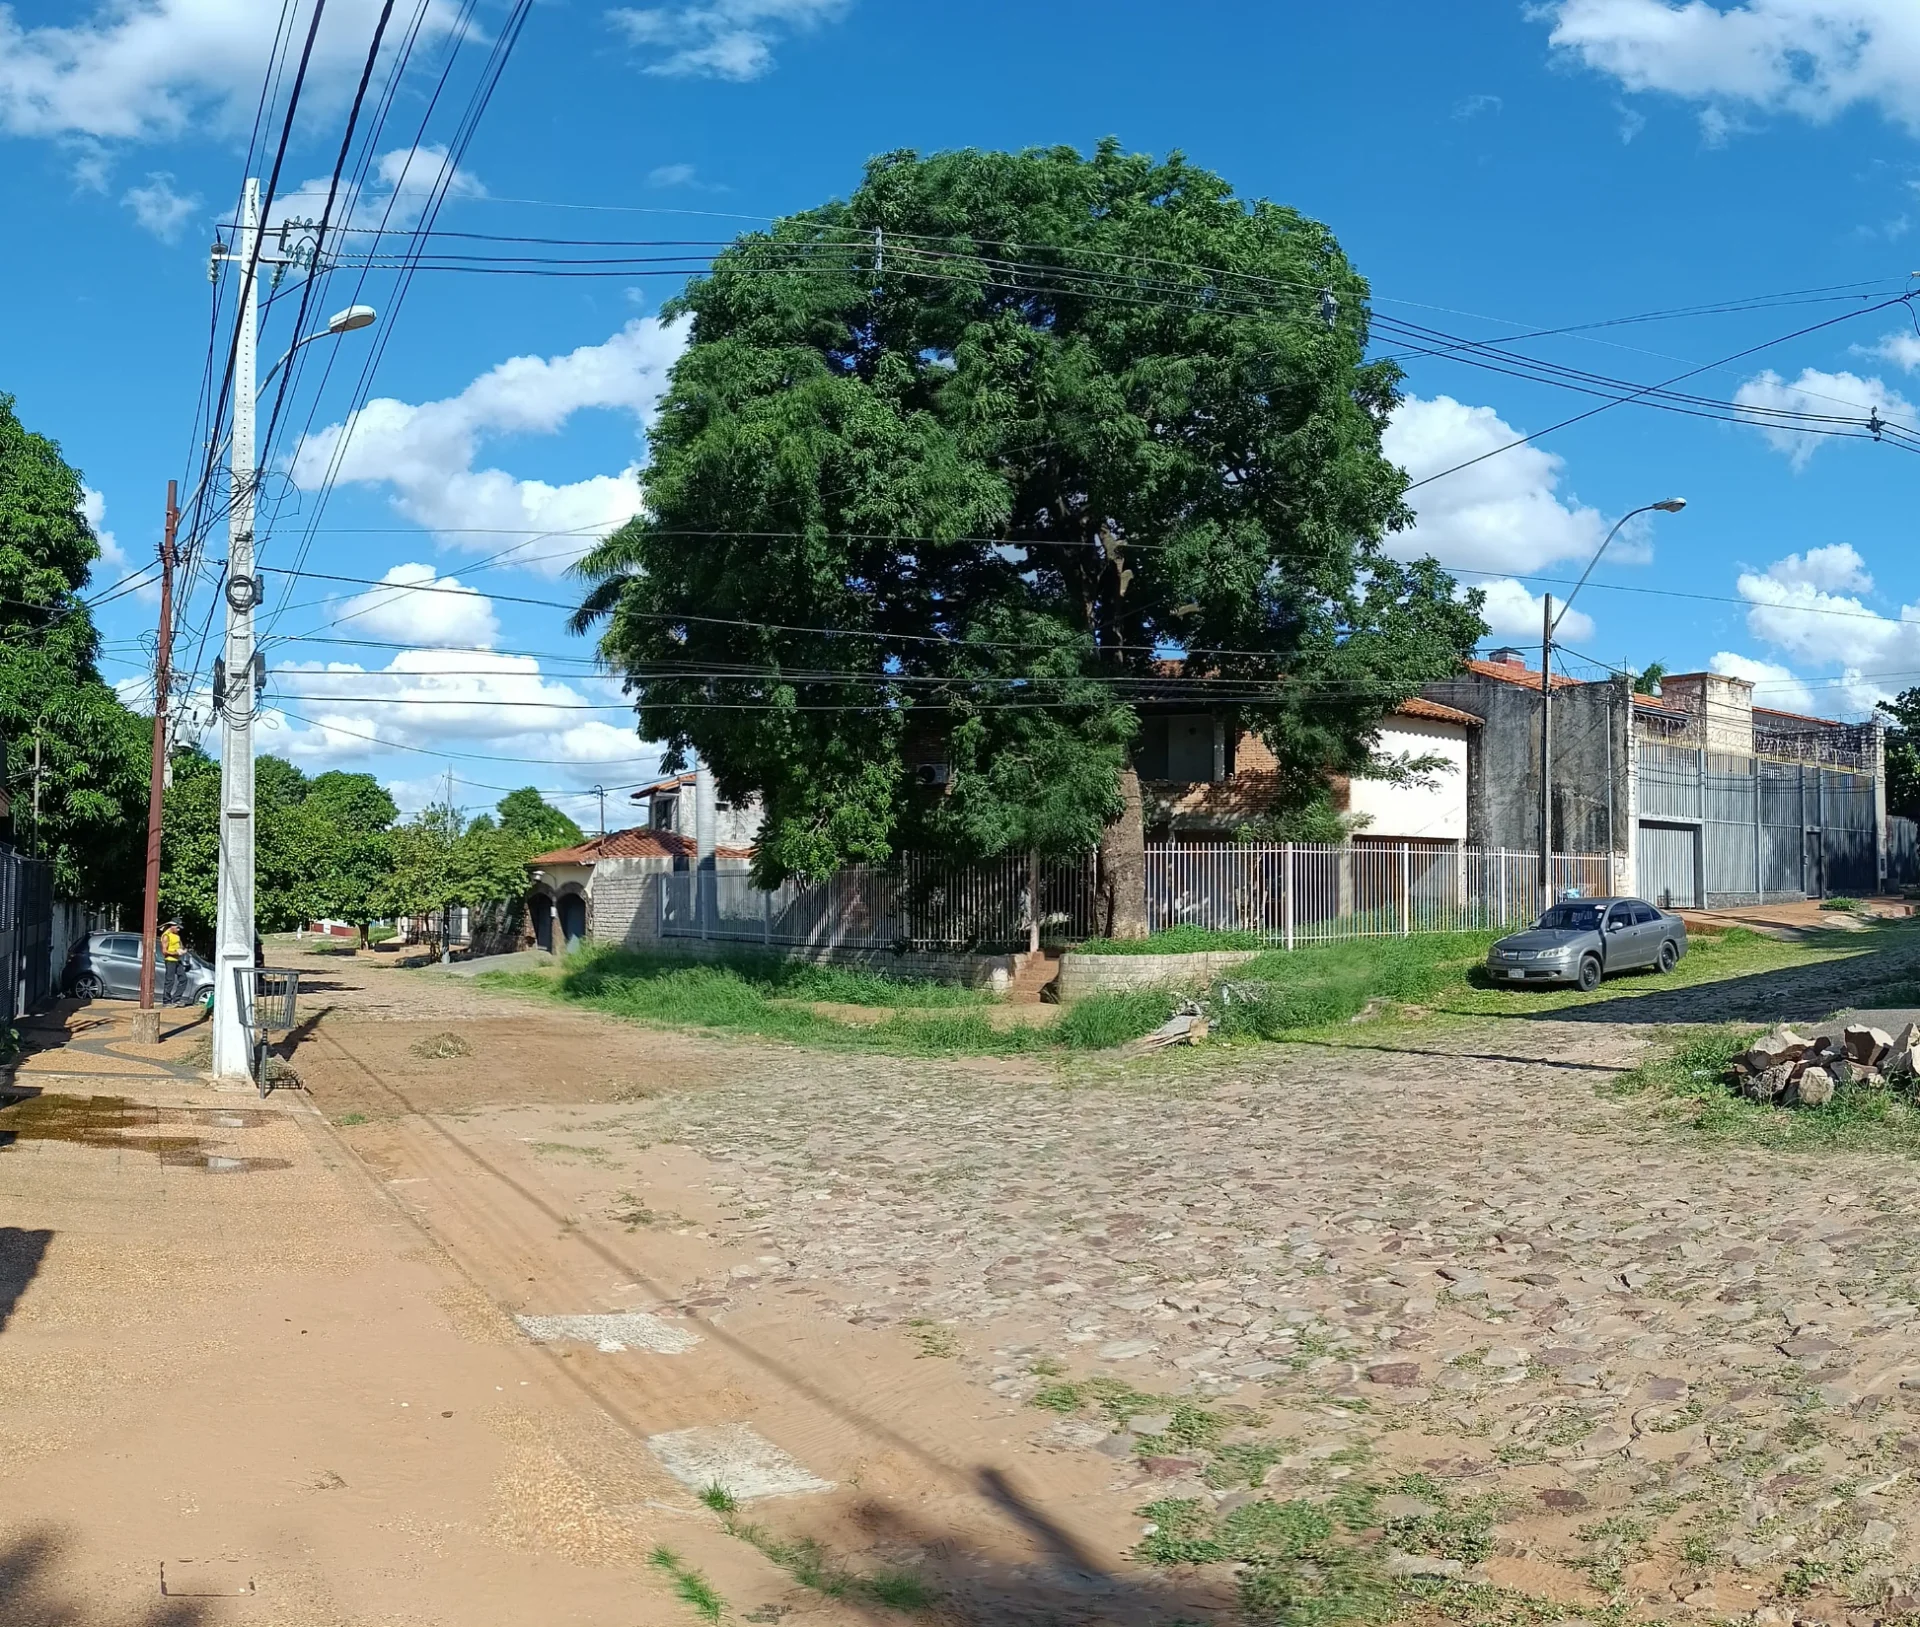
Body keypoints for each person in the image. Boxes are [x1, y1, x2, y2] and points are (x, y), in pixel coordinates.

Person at [159, 920, 184, 1005]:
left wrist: (182, 950)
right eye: (177, 927)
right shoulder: (166, 936)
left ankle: (176, 999)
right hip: (170, 960)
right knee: (170, 981)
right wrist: (176, 953)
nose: (178, 929)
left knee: (183, 979)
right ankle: (166, 1001)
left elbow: (179, 945)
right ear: (172, 926)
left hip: (177, 960)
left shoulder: (176, 935)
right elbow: (164, 951)